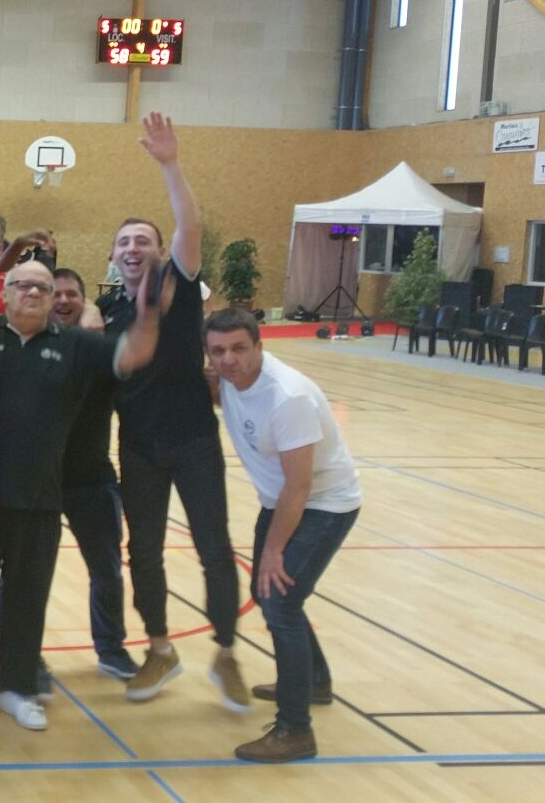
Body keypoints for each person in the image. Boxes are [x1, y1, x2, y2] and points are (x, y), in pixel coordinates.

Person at [0, 259, 159, 731]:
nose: (33, 294)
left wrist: (148, 312)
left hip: (40, 498)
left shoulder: (79, 346)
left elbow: (132, 355)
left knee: (28, 599)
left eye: (43, 288)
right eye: (22, 285)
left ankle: (18, 688)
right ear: (4, 293)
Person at [94, 113, 247, 709]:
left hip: (193, 440)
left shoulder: (178, 293)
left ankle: (228, 655)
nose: (135, 248)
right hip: (137, 446)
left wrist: (169, 164)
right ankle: (160, 649)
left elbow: (191, 222)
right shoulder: (104, 313)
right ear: (114, 257)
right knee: (145, 553)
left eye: (144, 240)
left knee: (215, 547)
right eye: (125, 242)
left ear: (162, 252)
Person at [205, 309, 360, 763]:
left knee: (280, 602)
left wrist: (274, 551)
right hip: (281, 501)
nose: (229, 360)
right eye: (219, 351)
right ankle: (313, 682)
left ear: (259, 346)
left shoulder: (287, 397)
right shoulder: (227, 380)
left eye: (239, 348)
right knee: (271, 594)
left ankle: (296, 731)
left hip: (324, 505)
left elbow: (300, 486)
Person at [48, 268, 139, 681]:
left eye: (73, 295)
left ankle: (111, 648)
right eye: (56, 294)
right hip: (39, 480)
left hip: (92, 478)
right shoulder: (28, 348)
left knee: (106, 569)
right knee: (22, 571)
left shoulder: (99, 351)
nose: (63, 300)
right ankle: (13, 649)